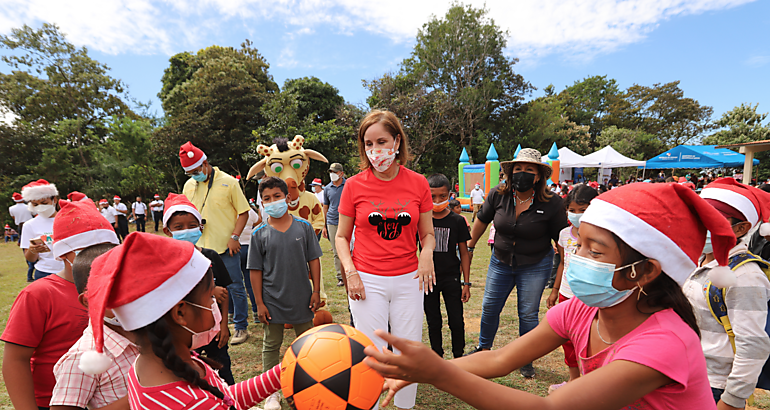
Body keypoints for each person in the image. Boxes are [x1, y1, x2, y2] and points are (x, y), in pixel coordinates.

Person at [367, 183, 731, 410]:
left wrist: (439, 374)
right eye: (579, 245)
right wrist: (423, 372)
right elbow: (499, 360)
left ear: (645, 271)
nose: (577, 258)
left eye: (596, 251)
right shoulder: (579, 312)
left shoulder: (664, 343)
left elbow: (552, 407)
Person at [77, 233, 282, 410]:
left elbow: (224, 397)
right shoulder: (193, 403)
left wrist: (282, 372)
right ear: (180, 312)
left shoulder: (147, 365)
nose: (214, 305)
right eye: (210, 296)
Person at [335, 109, 435, 410]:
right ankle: (371, 405)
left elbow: (427, 234)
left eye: (381, 141)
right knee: (372, 352)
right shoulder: (353, 185)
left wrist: (426, 254)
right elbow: (340, 236)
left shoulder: (418, 183)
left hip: (409, 281)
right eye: (368, 144)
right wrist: (350, 272)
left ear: (397, 141)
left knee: (408, 350)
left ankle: (404, 405)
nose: (375, 150)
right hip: (367, 281)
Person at [3, 199, 119, 410]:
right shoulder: (38, 295)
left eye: (107, 249)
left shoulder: (121, 285)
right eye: (87, 249)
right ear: (64, 254)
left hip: (109, 399)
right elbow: (15, 360)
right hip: (53, 402)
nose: (99, 256)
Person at [466, 148, 568, 378]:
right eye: (518, 169)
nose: (522, 173)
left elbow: (561, 240)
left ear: (539, 175)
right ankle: (483, 350)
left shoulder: (552, 203)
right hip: (500, 261)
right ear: (511, 172)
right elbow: (481, 221)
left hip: (535, 264)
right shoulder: (498, 194)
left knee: (528, 313)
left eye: (528, 170)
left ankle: (525, 359)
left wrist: (561, 272)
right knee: (490, 309)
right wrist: (470, 247)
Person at [684, 178, 770, 408]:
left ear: (741, 228)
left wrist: (731, 401)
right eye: (697, 215)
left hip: (714, 386)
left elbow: (753, 345)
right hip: (685, 375)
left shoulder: (745, 275)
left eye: (711, 218)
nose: (700, 224)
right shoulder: (697, 261)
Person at [247, 177, 322, 410]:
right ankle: (271, 393)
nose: (272, 202)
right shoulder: (258, 233)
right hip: (272, 301)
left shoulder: (304, 227)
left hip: (302, 297)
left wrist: (316, 290)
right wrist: (259, 302)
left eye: (276, 197)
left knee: (307, 344)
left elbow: (314, 260)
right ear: (261, 202)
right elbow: (255, 271)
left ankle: (308, 385)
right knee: (271, 344)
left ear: (287, 198)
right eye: (266, 199)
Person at [180, 141, 252, 345]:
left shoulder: (229, 182)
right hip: (199, 248)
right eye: (190, 173)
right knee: (206, 287)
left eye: (196, 170)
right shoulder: (189, 185)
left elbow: (244, 212)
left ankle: (240, 327)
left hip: (225, 246)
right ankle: (217, 322)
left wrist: (235, 237)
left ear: (205, 163)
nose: (195, 175)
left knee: (235, 287)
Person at [162, 193, 234, 385]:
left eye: (192, 226)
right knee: (189, 376)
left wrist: (224, 326)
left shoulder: (211, 257)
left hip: (213, 330)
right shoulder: (166, 263)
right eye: (179, 227)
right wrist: (210, 292)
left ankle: (230, 401)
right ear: (167, 231)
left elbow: (225, 295)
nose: (187, 230)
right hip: (183, 334)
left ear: (201, 228)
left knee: (222, 371)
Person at [50, 242, 133, 410]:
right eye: (113, 291)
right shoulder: (81, 357)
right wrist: (141, 396)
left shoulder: (153, 332)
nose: (128, 297)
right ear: (88, 301)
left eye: (134, 285)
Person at [545, 184, 598, 389]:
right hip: (566, 294)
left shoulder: (600, 236)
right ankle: (574, 379)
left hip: (591, 296)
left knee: (590, 340)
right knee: (567, 340)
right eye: (572, 210)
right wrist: (555, 290)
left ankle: (590, 382)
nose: (577, 215)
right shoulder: (564, 234)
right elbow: (562, 264)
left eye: (583, 210)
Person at [425, 174, 471, 359]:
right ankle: (437, 357)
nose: (437, 201)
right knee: (433, 321)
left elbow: (464, 253)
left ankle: (459, 358)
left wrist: (466, 283)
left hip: (452, 278)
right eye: (432, 197)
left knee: (456, 321)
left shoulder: (457, 221)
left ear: (450, 195)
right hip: (428, 279)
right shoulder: (422, 220)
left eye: (442, 196)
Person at [19, 180, 66, 281]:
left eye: (44, 203)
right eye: (35, 204)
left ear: (54, 200)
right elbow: (30, 259)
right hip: (44, 273)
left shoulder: (69, 220)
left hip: (70, 271)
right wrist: (33, 250)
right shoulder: (29, 225)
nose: (41, 207)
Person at [323, 162, 347, 287]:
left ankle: (350, 272)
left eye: (334, 172)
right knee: (337, 251)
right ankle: (340, 277)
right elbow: (325, 207)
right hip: (332, 221)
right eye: (331, 172)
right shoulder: (327, 188)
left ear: (341, 173)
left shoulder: (348, 185)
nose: (332, 174)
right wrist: (324, 225)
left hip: (347, 221)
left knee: (351, 249)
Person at [239, 205, 261, 318]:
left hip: (234, 248)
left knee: (235, 284)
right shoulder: (248, 210)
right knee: (251, 282)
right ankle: (256, 310)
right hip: (248, 247)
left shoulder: (226, 210)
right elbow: (259, 222)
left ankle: (232, 312)